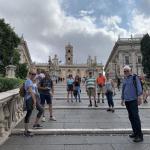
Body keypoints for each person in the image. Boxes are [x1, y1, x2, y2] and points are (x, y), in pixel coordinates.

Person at [121, 65, 143, 142]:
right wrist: (122, 99)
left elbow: (139, 87)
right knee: (131, 117)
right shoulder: (125, 79)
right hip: (127, 101)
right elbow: (123, 89)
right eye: (124, 71)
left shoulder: (134, 77)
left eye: (127, 70)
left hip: (133, 100)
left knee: (135, 117)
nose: (126, 72)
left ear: (130, 71)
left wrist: (139, 97)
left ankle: (140, 135)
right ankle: (135, 132)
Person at [24, 70, 43, 136]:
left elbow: (34, 91)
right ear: (29, 74)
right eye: (32, 74)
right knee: (29, 113)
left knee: (41, 110)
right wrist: (34, 101)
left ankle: (35, 124)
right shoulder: (28, 81)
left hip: (34, 98)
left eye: (35, 74)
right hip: (29, 99)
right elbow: (30, 91)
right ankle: (26, 131)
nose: (34, 75)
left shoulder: (31, 81)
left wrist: (37, 97)